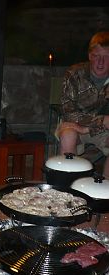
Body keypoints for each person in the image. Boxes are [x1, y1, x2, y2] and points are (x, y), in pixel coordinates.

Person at [57, 31, 109, 176]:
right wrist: (103, 120)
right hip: (74, 126)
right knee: (68, 135)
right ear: (89, 56)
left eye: (106, 57)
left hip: (101, 130)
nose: (100, 62)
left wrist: (87, 129)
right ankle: (68, 186)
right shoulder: (74, 74)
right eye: (96, 56)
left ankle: (105, 192)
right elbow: (68, 113)